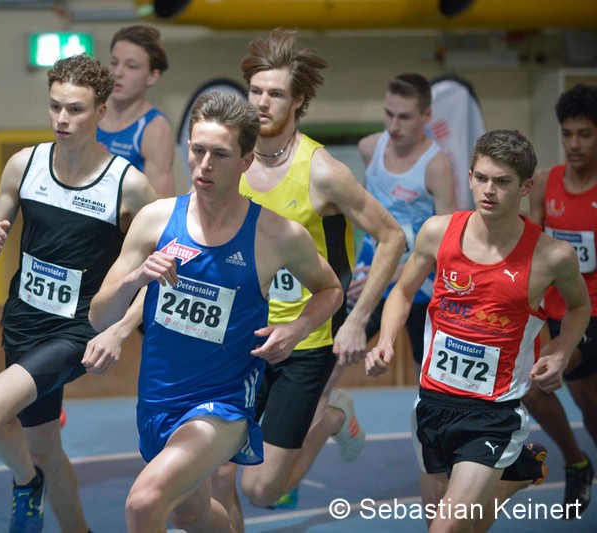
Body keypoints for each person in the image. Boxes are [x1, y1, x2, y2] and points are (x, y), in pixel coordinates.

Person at [89, 90, 343, 532]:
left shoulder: (276, 234)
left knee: (144, 504)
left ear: (246, 161)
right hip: (158, 400)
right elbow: (98, 317)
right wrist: (136, 280)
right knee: (192, 514)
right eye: (197, 150)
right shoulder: (154, 220)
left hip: (223, 404)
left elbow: (331, 289)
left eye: (220, 155)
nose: (204, 164)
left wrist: (296, 329)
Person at [212, 28, 405, 521]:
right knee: (215, 471)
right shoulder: (232, 160)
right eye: (255, 91)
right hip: (242, 336)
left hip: (307, 341)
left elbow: (391, 237)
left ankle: (332, 417)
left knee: (260, 489)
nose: (261, 103)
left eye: (275, 94)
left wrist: (358, 319)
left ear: (298, 100)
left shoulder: (322, 172)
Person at [0, 54, 156, 533]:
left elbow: (163, 265)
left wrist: (121, 328)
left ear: (101, 112)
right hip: (22, 321)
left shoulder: (128, 185)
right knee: (46, 448)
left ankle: (26, 483)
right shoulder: (23, 165)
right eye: (55, 107)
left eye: (75, 109)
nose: (62, 119)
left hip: (77, 329)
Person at [366, 129, 591, 530]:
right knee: (462, 527)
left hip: (493, 412)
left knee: (446, 528)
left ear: (526, 187)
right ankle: (519, 473)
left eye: (502, 181)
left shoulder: (551, 256)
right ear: (469, 177)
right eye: (482, 178)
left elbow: (579, 307)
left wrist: (560, 351)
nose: (489, 190)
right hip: (432, 403)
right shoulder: (437, 232)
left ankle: (510, 466)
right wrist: (385, 340)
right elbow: (401, 291)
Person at [349, 73, 457, 374]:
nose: (394, 125)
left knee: (429, 372)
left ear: (426, 115)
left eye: (405, 117)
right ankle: (334, 406)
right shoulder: (369, 148)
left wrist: (396, 272)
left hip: (418, 283)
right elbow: (361, 211)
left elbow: (448, 245)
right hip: (369, 275)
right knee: (332, 359)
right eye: (389, 114)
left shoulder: (437, 168)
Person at [524, 83, 597, 516]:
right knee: (579, 403)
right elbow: (532, 246)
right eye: (567, 133)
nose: (574, 143)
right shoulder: (547, 183)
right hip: (553, 312)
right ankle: (577, 461)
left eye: (585, 134)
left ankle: (578, 463)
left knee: (544, 388)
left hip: (592, 314)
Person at [98, 24, 175, 198]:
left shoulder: (155, 129)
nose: (118, 72)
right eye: (114, 63)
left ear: (152, 76)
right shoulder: (89, 113)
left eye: (131, 66)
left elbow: (161, 204)